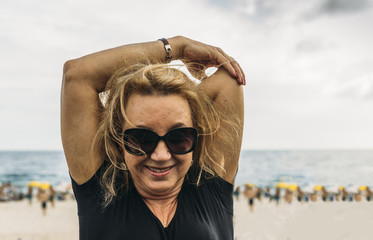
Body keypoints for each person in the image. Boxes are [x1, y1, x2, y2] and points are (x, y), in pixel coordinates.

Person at [61, 36, 245, 240]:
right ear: (118, 139)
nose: (161, 155)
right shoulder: (99, 192)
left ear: (196, 134)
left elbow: (229, 79)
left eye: (178, 137)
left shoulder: (212, 187)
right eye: (141, 138)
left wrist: (187, 104)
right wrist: (176, 47)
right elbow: (77, 75)